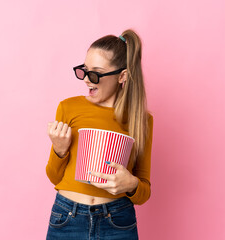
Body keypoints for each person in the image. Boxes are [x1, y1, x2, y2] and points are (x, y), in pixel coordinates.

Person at [45, 29, 153, 240]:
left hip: (118, 220)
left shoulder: (141, 120)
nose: (86, 79)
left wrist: (130, 184)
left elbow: (144, 192)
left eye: (95, 73)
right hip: (67, 218)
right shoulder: (68, 108)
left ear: (122, 76)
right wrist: (59, 150)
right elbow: (54, 177)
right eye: (84, 71)